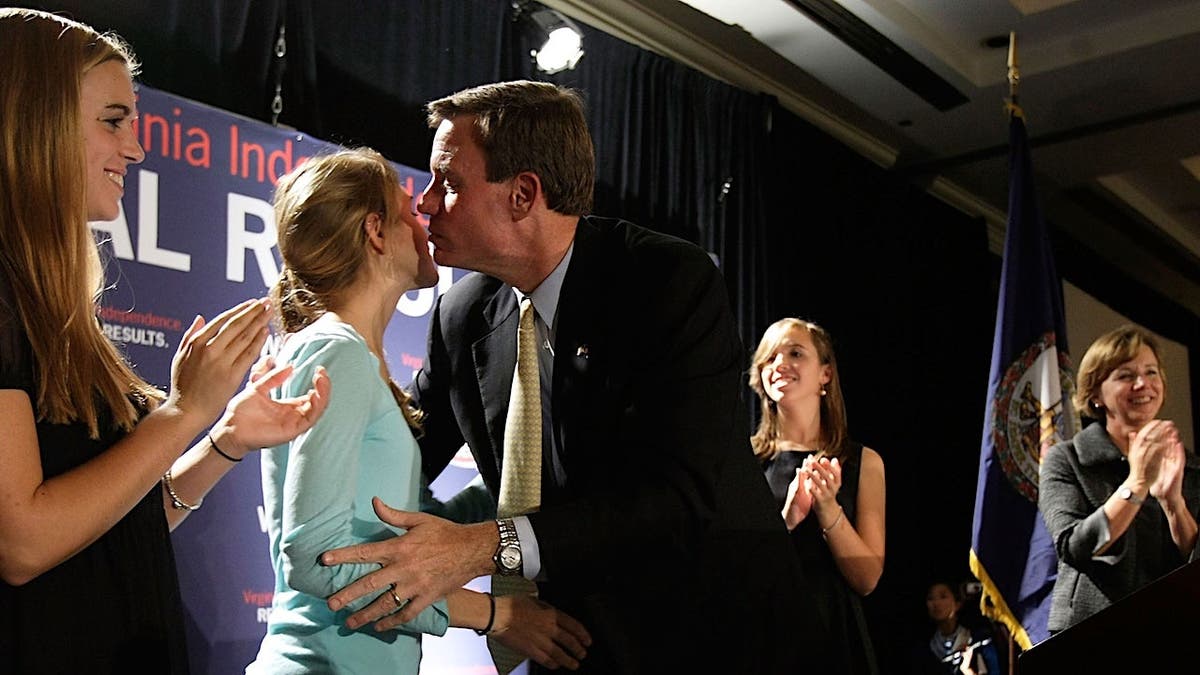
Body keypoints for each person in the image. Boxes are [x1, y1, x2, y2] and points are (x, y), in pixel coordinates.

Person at [317, 80, 807, 673]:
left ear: (523, 194)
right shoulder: (462, 312)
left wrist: (479, 547)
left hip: (710, 631)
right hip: (568, 638)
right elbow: (403, 446)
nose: (425, 203)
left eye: (449, 183)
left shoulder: (666, 282)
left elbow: (675, 499)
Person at [0, 8, 330, 673]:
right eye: (113, 120)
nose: (136, 149)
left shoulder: (53, 310)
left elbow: (112, 527)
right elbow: (25, 540)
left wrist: (224, 438)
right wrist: (184, 411)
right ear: (38, 120)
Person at [246, 147, 580, 674]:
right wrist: (497, 615)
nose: (424, 220)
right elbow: (316, 559)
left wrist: (511, 483)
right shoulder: (340, 354)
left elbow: (393, 537)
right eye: (408, 214)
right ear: (376, 232)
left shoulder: (347, 355)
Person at [1039, 325, 1198, 631]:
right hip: (1091, 635)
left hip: (1175, 628)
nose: (1143, 384)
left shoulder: (1188, 465)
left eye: (1151, 372)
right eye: (1126, 375)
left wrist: (1173, 503)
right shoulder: (1067, 460)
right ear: (1095, 394)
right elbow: (1075, 547)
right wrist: (1136, 483)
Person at [750, 318, 886, 674]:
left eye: (795, 353)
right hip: (763, 639)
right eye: (769, 358)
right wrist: (788, 521)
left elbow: (867, 578)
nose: (779, 364)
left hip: (835, 642)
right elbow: (732, 570)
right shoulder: (742, 461)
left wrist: (828, 509)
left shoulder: (864, 462)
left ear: (825, 374)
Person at [913, 581, 1001, 675]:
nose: (936, 603)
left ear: (957, 604)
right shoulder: (925, 648)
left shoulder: (979, 640)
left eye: (943, 596)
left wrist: (967, 670)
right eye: (930, 598)